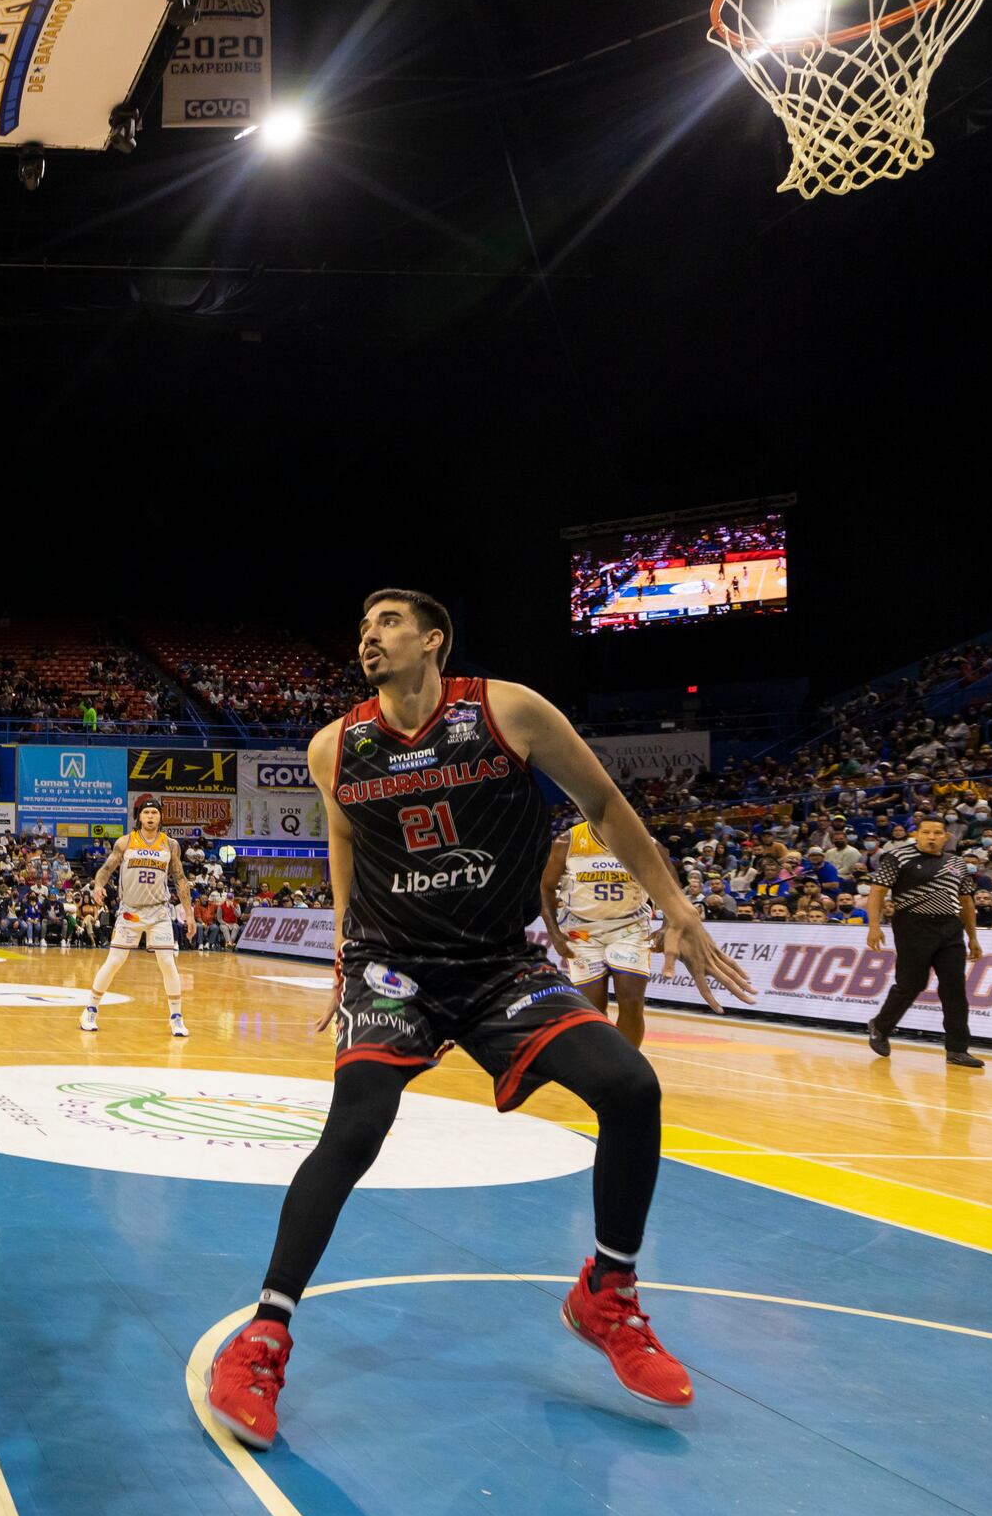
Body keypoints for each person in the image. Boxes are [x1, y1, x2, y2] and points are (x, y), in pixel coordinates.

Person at [203, 589, 754, 1453]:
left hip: (501, 962)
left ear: (434, 638)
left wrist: (674, 904)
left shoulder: (509, 710)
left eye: (386, 623)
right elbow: (342, 839)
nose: (367, 637)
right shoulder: (333, 746)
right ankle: (263, 1335)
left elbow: (604, 805)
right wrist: (347, 950)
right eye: (360, 627)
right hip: (396, 966)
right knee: (355, 1126)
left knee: (630, 1085)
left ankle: (606, 1291)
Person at [864, 815, 984, 1068]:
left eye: (937, 833)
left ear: (946, 836)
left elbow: (966, 902)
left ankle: (957, 1049)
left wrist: (973, 936)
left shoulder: (958, 863)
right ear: (916, 834)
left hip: (950, 928)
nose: (931, 837)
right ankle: (881, 1026)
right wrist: (874, 926)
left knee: (954, 988)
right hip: (912, 926)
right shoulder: (897, 857)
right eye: (926, 832)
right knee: (911, 984)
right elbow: (877, 893)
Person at [81, 795, 192, 1038]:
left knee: (167, 962)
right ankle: (90, 1009)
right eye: (146, 813)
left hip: (159, 911)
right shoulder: (125, 842)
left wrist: (190, 915)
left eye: (154, 813)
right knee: (115, 961)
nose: (150, 817)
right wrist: (98, 885)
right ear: (139, 816)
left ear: (160, 816)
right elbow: (106, 869)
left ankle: (176, 1018)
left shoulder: (170, 845)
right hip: (130, 911)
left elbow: (181, 880)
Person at [541, 818, 656, 1047]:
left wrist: (670, 924)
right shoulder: (567, 842)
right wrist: (554, 933)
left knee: (632, 1000)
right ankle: (602, 1067)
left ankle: (628, 1068)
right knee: (591, 1008)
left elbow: (670, 883)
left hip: (629, 928)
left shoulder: (640, 841)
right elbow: (545, 887)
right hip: (582, 933)